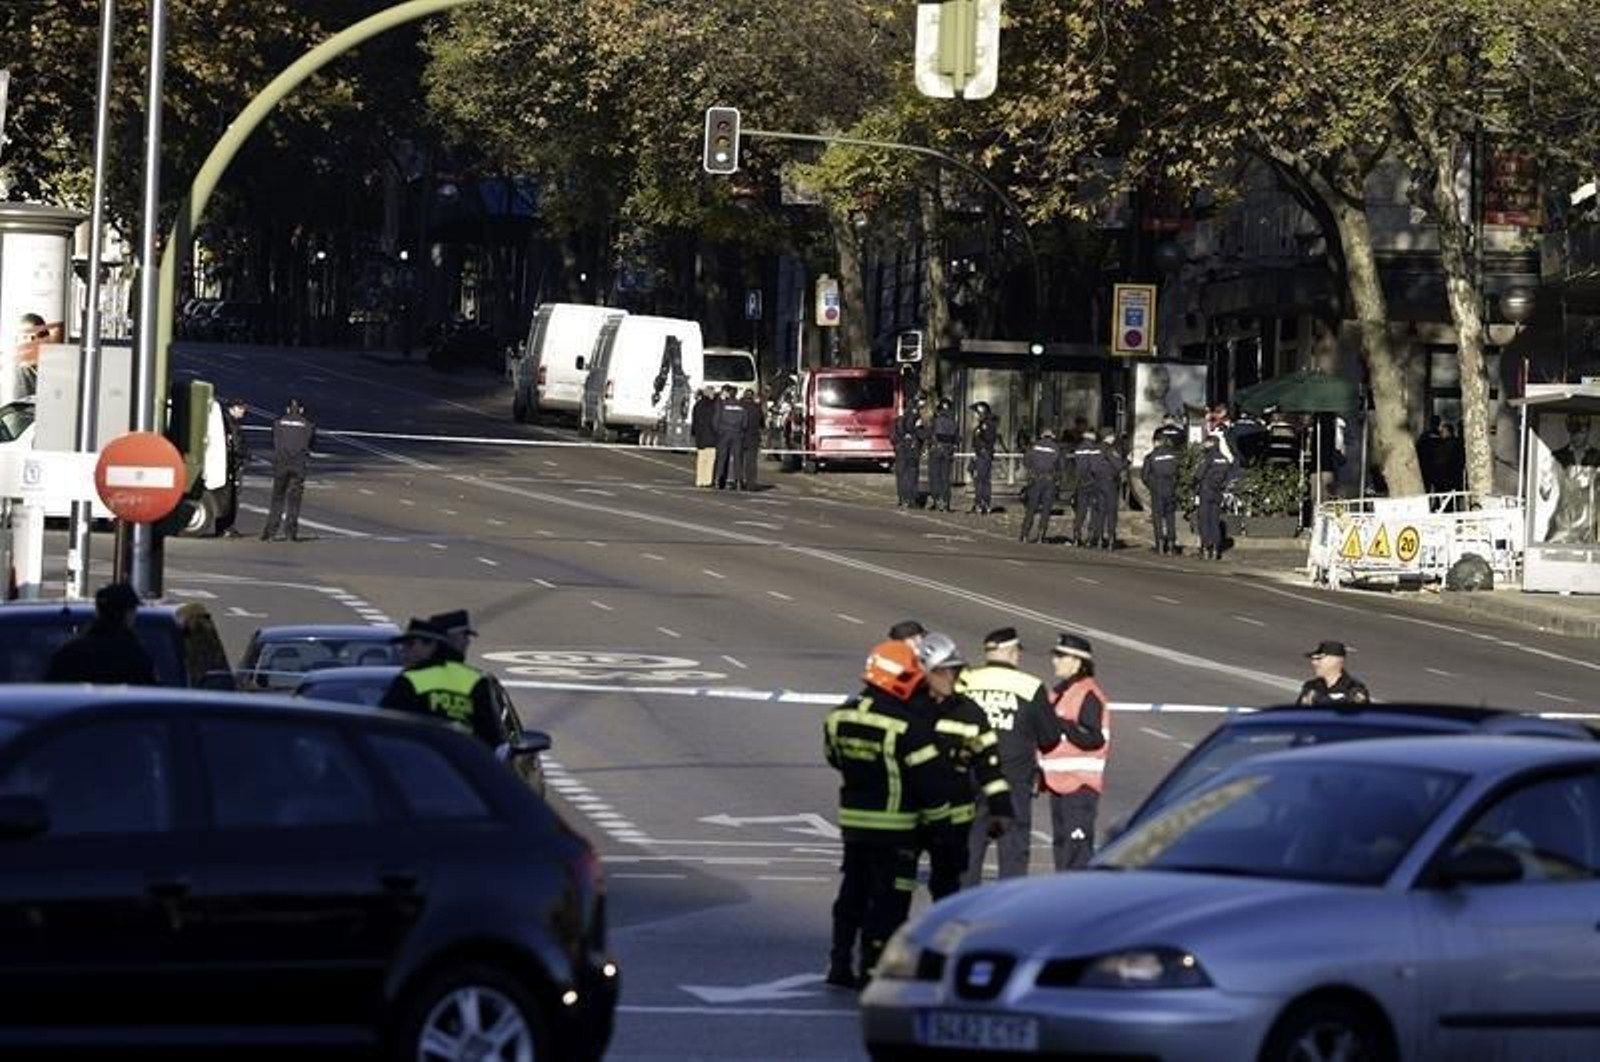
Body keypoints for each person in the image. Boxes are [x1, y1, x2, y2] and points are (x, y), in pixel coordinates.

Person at [824, 641, 953, 988]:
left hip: (854, 824)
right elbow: (932, 784)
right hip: (896, 827)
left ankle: (839, 961)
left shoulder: (841, 715)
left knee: (852, 892)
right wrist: (943, 826)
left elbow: (834, 758)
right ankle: (872, 966)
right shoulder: (907, 726)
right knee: (890, 901)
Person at [892, 633, 1011, 914]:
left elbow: (989, 764)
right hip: (908, 818)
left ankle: (943, 952)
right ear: (925, 672)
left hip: (952, 821)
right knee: (893, 892)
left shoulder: (969, 714)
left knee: (949, 894)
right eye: (943, 671)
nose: (951, 678)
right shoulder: (904, 709)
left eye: (955, 670)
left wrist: (1000, 808)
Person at [955, 628, 1064, 885]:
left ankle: (964, 899)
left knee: (970, 841)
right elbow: (1050, 738)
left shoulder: (965, 681)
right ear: (1012, 653)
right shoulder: (1030, 686)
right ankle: (1007, 906)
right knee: (1013, 844)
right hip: (1012, 779)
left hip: (970, 774)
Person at [1039, 634, 1110, 870]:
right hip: (1057, 783)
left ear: (1078, 662)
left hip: (1080, 786)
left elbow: (1094, 739)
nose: (1055, 661)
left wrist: (1063, 724)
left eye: (1061, 656)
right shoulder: (1059, 691)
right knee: (1062, 847)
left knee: (1076, 850)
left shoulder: (1088, 694)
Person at [380, 617, 507, 747]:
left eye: (410, 644)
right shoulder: (475, 679)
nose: (403, 650)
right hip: (463, 763)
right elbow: (491, 737)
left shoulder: (409, 680)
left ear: (431, 645)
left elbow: (385, 729)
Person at [44, 582, 159, 685]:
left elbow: (50, 693)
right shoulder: (136, 656)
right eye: (133, 610)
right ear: (128, 614)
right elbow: (150, 697)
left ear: (98, 612)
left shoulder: (69, 653)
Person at [260, 398, 316, 542]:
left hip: (281, 464)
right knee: (294, 501)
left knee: (277, 499)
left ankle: (270, 532)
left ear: (287, 409)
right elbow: (312, 443)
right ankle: (291, 533)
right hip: (298, 465)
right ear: (302, 410)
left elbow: (273, 441)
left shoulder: (278, 423)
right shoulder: (308, 425)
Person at [1540, 415, 1600, 543]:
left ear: (1588, 431)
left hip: (1588, 521)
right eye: (1573, 431)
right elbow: (1545, 492)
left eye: (1581, 431)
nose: (1576, 436)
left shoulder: (1597, 457)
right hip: (1562, 521)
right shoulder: (1557, 456)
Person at [1141, 428, 1181, 554]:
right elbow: (1178, 473)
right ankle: (1171, 543)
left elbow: (1145, 476)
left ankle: (1160, 544)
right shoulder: (1174, 455)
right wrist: (1173, 484)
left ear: (1155, 442)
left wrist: (1153, 486)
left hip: (1157, 489)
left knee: (1158, 517)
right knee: (1170, 517)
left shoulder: (1151, 456)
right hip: (1170, 489)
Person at [1018, 428, 1061, 544]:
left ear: (1042, 436)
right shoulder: (1055, 447)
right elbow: (1059, 465)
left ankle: (1024, 534)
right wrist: (1057, 478)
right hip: (1049, 481)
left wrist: (1032, 470)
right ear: (1052, 437)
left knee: (1031, 508)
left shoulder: (1034, 446)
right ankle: (1041, 535)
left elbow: (1026, 460)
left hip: (1036, 479)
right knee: (1046, 509)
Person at [1297, 640, 1371, 705]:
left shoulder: (1354, 688)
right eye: (1313, 659)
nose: (1313, 662)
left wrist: (1317, 699)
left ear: (1335, 661)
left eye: (1319, 658)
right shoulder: (1310, 686)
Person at [1196, 433, 1232, 560]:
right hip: (1218, 493)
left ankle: (1206, 547)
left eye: (1206, 442)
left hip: (1206, 491)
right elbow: (1228, 477)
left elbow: (1199, 474)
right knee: (1215, 521)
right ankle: (1217, 548)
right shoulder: (1225, 459)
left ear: (1211, 443)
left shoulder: (1208, 457)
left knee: (1204, 520)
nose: (1204, 444)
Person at [1087, 430, 1124, 550]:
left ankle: (1099, 539)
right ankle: (1111, 539)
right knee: (1111, 512)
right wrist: (1127, 461)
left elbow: (1091, 467)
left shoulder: (1094, 449)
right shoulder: (1109, 449)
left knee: (1100, 511)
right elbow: (1119, 466)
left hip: (1097, 482)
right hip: (1109, 483)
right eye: (1113, 436)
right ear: (1109, 437)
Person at [220, 397, 250, 538]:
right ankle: (228, 527)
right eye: (241, 408)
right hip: (233, 465)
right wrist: (243, 457)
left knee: (228, 496)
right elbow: (236, 445)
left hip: (230, 464)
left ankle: (223, 526)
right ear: (233, 408)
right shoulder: (230, 424)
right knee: (232, 497)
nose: (244, 411)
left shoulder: (226, 421)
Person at [1069, 431, 1103, 547]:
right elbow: (1095, 467)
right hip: (1092, 483)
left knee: (1080, 511)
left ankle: (1076, 536)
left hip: (1081, 483)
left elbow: (1077, 466)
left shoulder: (1079, 449)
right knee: (1094, 511)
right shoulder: (1094, 449)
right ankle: (1090, 537)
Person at [713, 385, 749, 490]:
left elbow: (716, 419)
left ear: (729, 393)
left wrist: (719, 431)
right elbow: (745, 423)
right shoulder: (741, 406)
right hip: (737, 434)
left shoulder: (722, 405)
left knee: (722, 458)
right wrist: (740, 431)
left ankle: (718, 480)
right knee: (738, 459)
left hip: (724, 433)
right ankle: (738, 481)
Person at [925, 397, 959, 512]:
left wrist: (927, 446)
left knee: (935, 476)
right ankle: (946, 502)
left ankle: (937, 500)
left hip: (936, 450)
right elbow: (957, 439)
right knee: (945, 478)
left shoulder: (936, 421)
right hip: (948, 451)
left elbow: (929, 434)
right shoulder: (953, 422)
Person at [892, 402, 926, 508]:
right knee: (912, 474)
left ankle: (902, 499)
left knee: (902, 475)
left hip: (901, 451)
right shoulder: (917, 420)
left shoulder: (898, 421)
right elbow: (922, 435)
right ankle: (911, 499)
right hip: (912, 450)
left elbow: (892, 438)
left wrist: (897, 446)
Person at [968, 401, 999, 514]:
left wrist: (981, 431)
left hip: (983, 454)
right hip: (983, 454)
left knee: (980, 480)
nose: (975, 416)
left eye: (977, 413)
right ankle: (984, 503)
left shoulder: (986, 425)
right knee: (984, 480)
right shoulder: (985, 424)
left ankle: (980, 503)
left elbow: (987, 439)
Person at [14, 312, 48, 398]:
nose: (30, 342)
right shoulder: (12, 371)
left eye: (34, 337)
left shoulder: (49, 366)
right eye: (25, 337)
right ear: (17, 340)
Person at [690, 387, 719, 488]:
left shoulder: (697, 405)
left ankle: (699, 480)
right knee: (710, 459)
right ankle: (707, 480)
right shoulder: (714, 406)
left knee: (701, 459)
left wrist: (694, 433)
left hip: (700, 436)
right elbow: (715, 421)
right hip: (712, 436)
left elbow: (694, 420)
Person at [740, 388, 763, 490]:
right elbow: (762, 423)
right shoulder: (757, 408)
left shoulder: (740, 406)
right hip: (753, 437)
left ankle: (739, 481)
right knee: (752, 462)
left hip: (741, 436)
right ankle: (751, 484)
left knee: (739, 461)